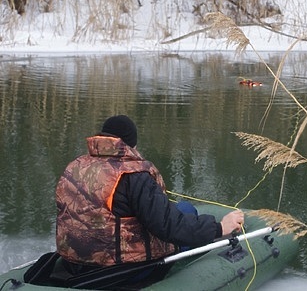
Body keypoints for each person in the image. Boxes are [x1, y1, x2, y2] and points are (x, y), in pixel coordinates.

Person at [55, 115, 244, 284]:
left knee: (180, 210)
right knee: (186, 210)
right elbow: (168, 226)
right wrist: (219, 228)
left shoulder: (74, 167)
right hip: (120, 271)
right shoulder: (133, 174)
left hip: (73, 264)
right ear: (132, 145)